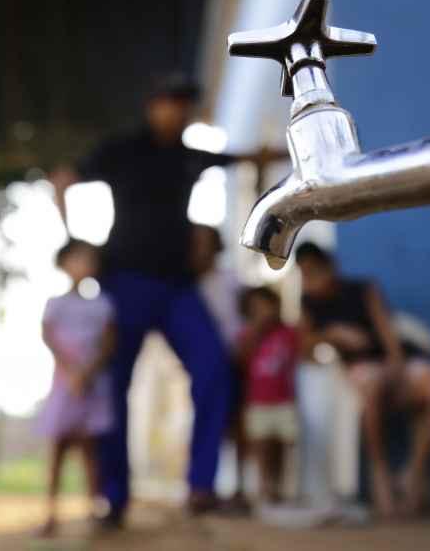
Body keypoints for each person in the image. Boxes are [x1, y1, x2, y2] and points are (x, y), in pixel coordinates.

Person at [49, 73, 284, 524]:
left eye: (186, 104)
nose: (179, 111)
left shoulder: (191, 157)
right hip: (124, 284)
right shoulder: (119, 151)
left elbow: (248, 157)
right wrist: (74, 242)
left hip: (178, 288)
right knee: (114, 387)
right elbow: (63, 179)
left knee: (214, 366)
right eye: (171, 102)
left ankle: (200, 487)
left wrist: (290, 151)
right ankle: (113, 499)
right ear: (152, 104)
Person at [294, 242, 430, 518]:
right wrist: (333, 334)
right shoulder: (309, 304)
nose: (310, 278)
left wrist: (395, 366)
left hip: (396, 363)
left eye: (314, 270)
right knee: (373, 388)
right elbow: (304, 348)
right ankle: (380, 474)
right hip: (361, 370)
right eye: (304, 273)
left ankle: (413, 472)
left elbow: (387, 333)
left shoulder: (364, 289)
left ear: (328, 266)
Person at [37, 240, 116, 538]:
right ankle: (50, 514)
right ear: (64, 264)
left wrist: (88, 371)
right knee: (57, 448)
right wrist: (71, 372)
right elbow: (48, 337)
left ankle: (94, 511)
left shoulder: (102, 304)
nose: (85, 265)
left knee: (90, 450)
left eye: (89, 259)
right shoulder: (56, 304)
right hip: (64, 384)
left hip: (92, 384)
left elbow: (109, 341)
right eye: (78, 258)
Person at [190, 224, 248, 510]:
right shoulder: (188, 288)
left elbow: (245, 314)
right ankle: (205, 487)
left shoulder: (231, 279)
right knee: (213, 423)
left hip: (238, 359)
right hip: (209, 365)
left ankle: (240, 487)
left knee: (239, 424)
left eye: (206, 243)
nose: (201, 250)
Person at [237, 286, 298, 503]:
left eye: (266, 306)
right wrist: (255, 331)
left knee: (282, 445)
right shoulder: (247, 335)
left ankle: (278, 488)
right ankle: (263, 488)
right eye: (256, 308)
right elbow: (241, 359)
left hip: (284, 400)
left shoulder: (288, 333)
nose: (263, 312)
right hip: (258, 402)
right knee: (261, 445)